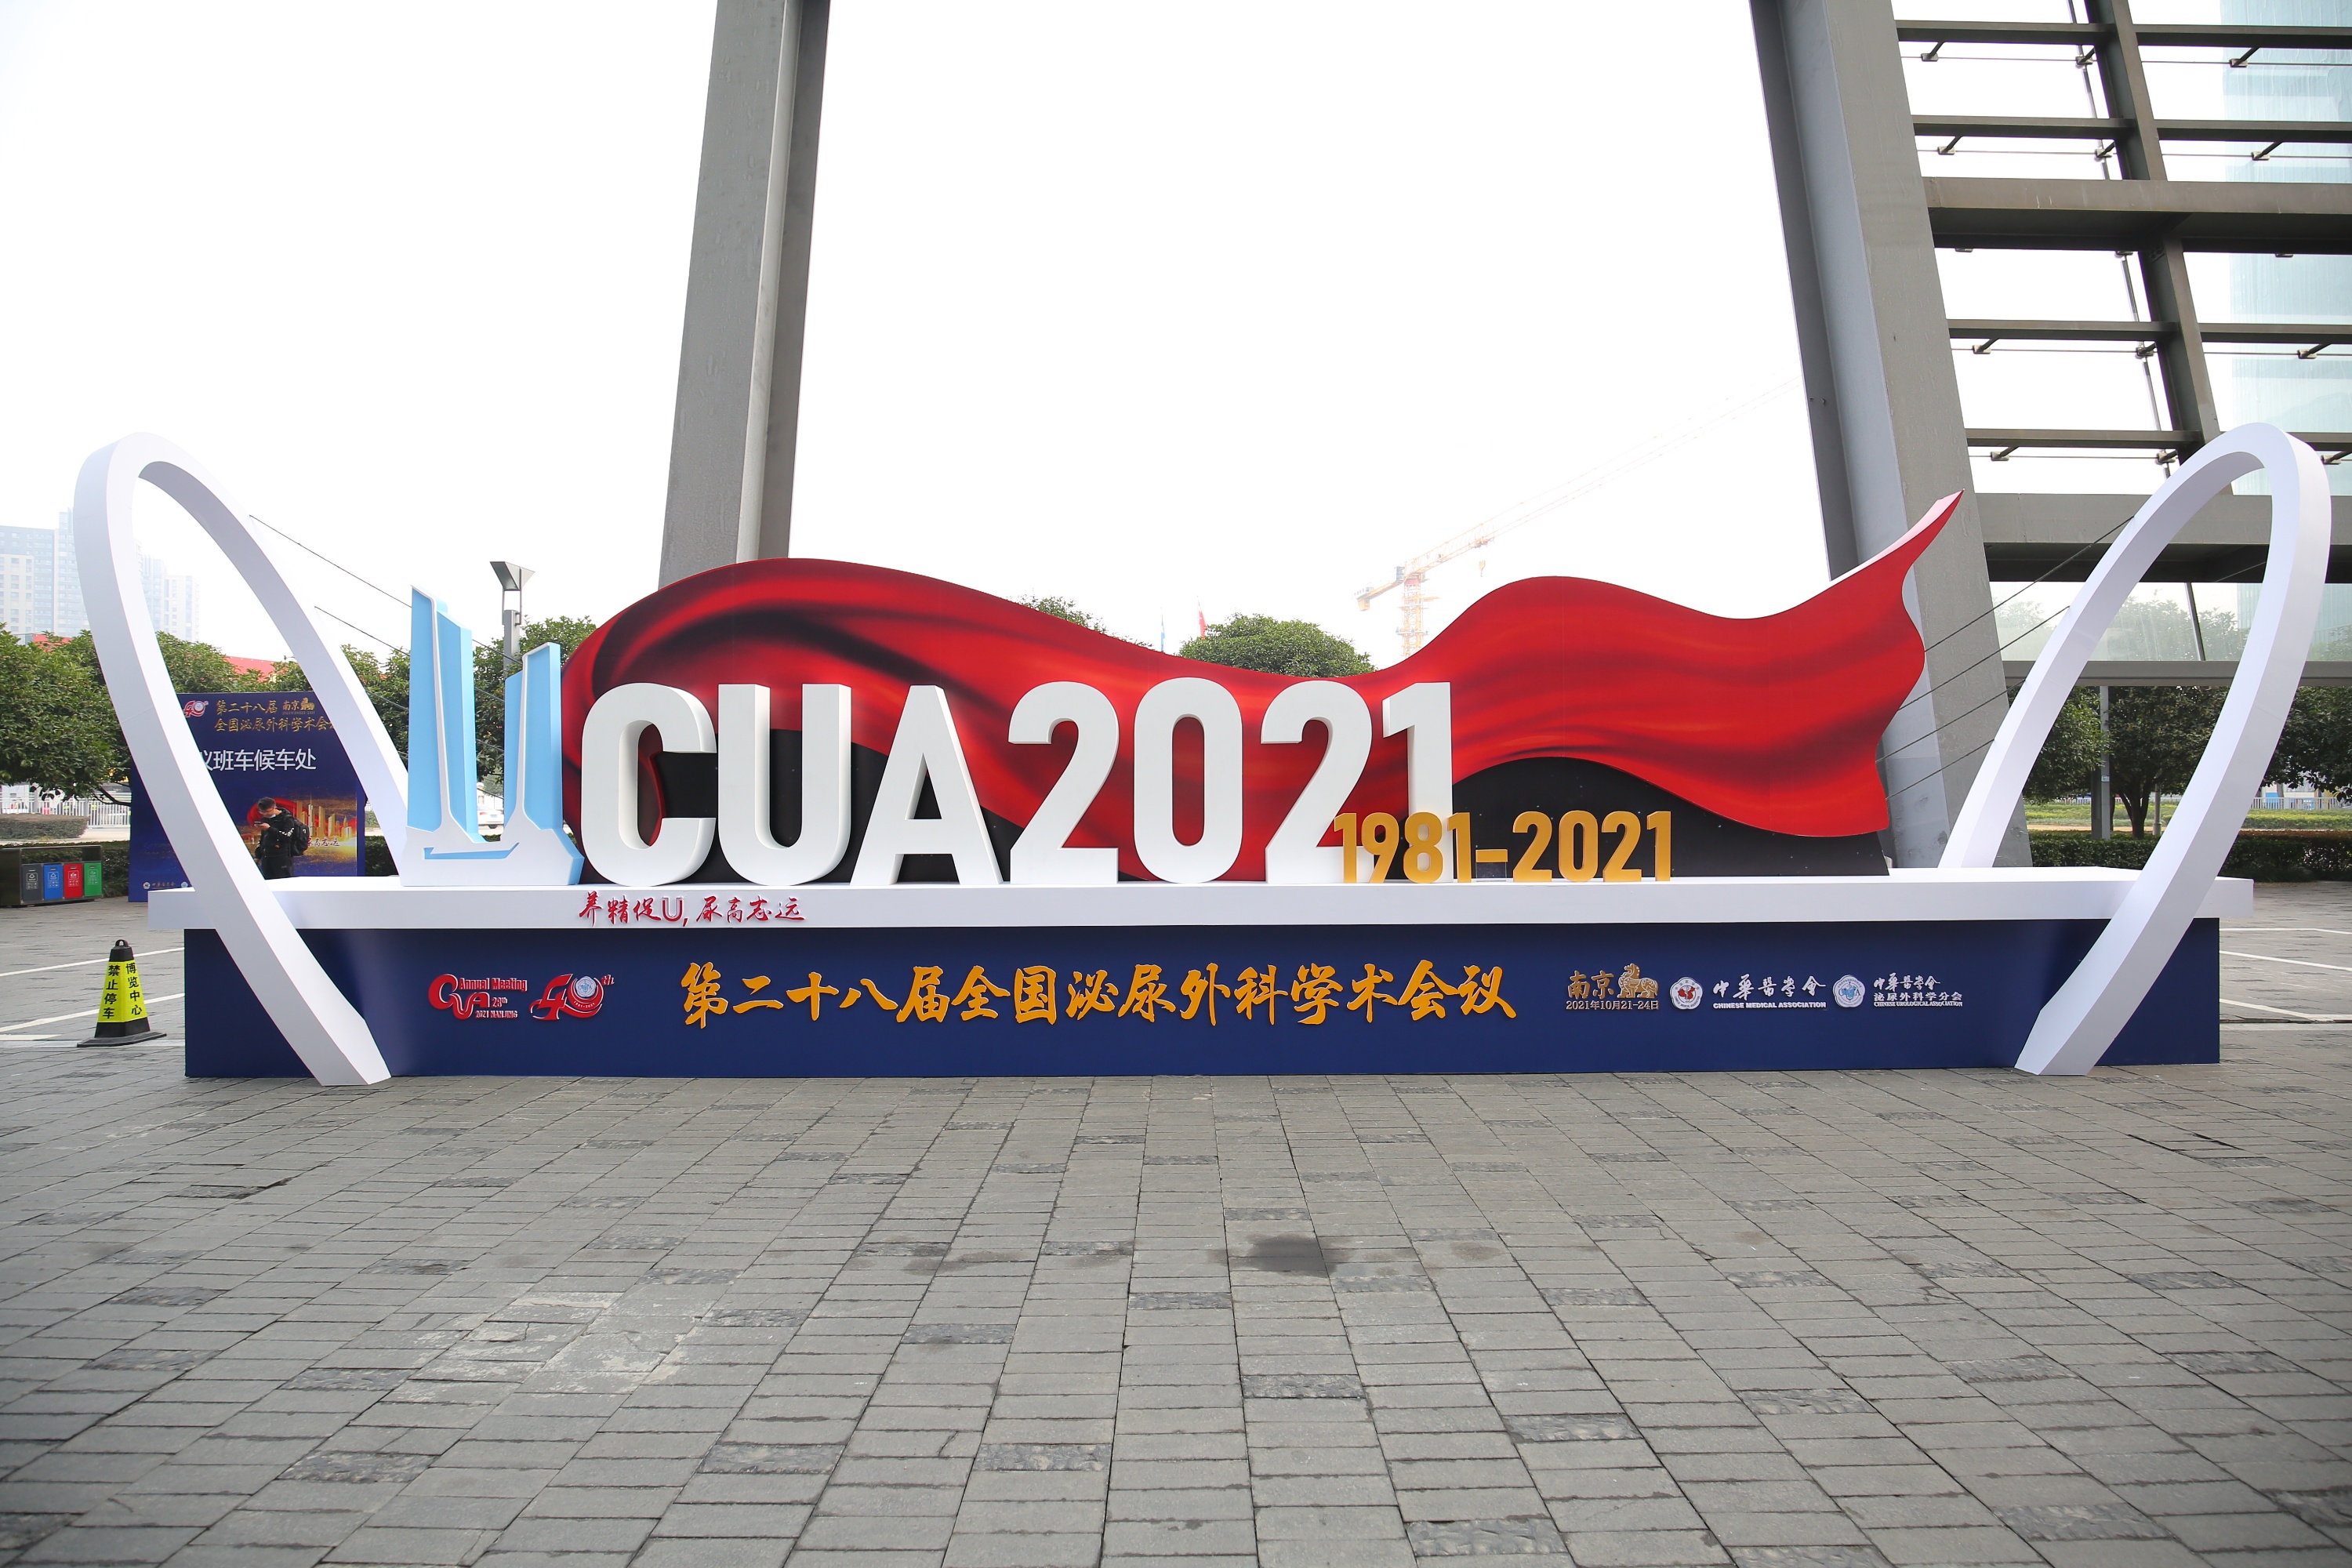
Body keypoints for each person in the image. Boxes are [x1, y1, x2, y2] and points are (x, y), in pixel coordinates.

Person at [253, 798, 306, 880]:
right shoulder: (265, 819)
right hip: (267, 857)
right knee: (269, 882)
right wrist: (258, 856)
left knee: (284, 882)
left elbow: (287, 837)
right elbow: (263, 839)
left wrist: (269, 829)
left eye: (267, 811)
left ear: (274, 807)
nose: (265, 814)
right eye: (262, 812)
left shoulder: (287, 819)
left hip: (281, 857)